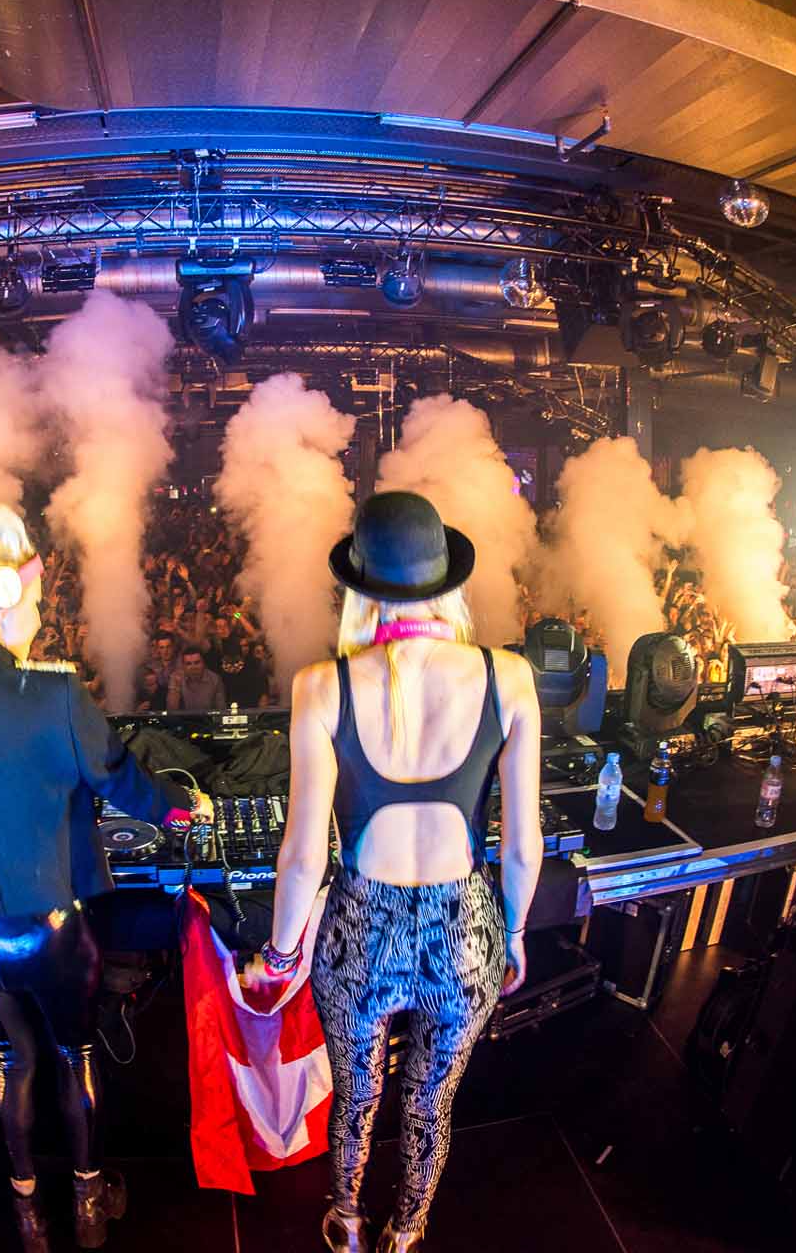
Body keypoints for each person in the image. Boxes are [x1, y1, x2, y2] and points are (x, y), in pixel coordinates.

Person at [0, 496, 214, 1253]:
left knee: (9, 1057)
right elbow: (125, 783)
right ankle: (89, 1205)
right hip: (50, 934)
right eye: (30, 598)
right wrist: (185, 809)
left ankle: (28, 1215)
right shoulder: (54, 692)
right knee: (74, 1052)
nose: (37, 614)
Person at [248, 491, 542, 1253]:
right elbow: (522, 846)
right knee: (430, 1103)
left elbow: (303, 855)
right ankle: (406, 1233)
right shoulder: (509, 678)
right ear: (447, 582)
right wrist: (513, 934)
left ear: (361, 588)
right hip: (464, 927)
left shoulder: (323, 685)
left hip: (359, 929)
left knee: (357, 1096)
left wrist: (280, 956)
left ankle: (345, 1221)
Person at [168, 646, 226, 712]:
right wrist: (176, 688)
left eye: (197, 662)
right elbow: (171, 710)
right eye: (188, 664)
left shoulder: (215, 679)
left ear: (203, 663)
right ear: (183, 666)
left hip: (208, 718)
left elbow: (221, 710)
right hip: (184, 718)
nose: (193, 667)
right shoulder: (176, 678)